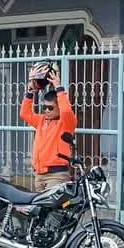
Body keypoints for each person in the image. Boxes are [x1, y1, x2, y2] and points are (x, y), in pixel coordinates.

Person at [18, 62, 77, 191]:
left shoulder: (66, 123)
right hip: (39, 175)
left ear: (58, 107)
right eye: (44, 107)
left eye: (50, 107)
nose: (46, 110)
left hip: (56, 176)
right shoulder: (41, 120)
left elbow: (66, 111)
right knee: (41, 211)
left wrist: (58, 87)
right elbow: (24, 113)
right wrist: (31, 92)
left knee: (52, 210)